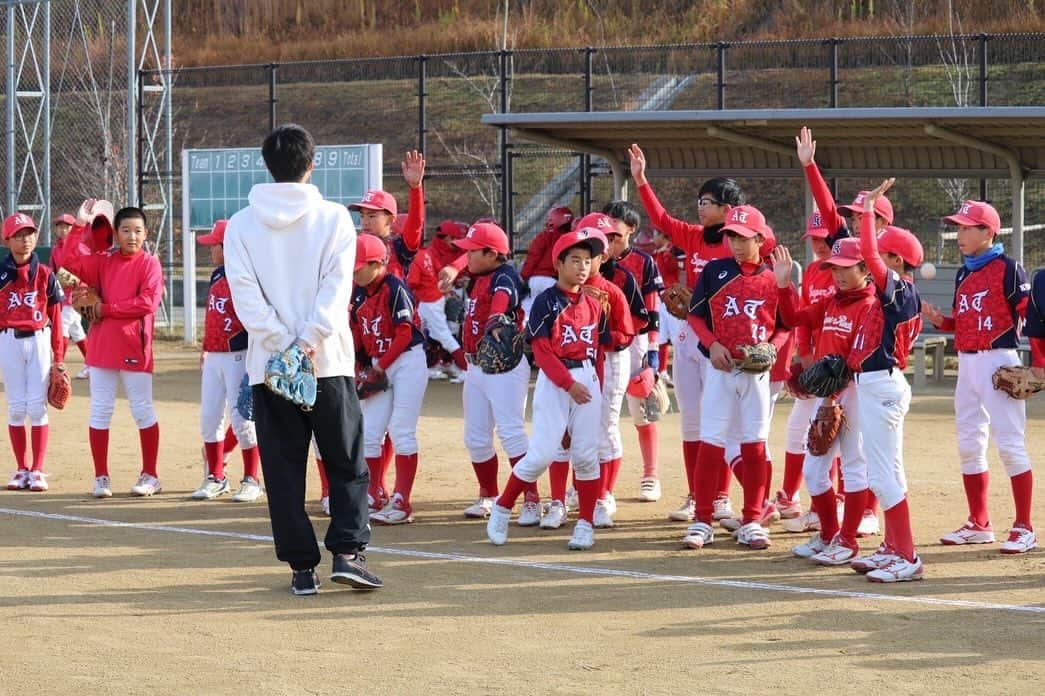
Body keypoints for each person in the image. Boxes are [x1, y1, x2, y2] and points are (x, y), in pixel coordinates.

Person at [224, 123, 382, 596]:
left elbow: (245, 298)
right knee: (345, 459)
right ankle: (348, 553)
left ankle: (300, 569)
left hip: (267, 366)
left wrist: (278, 344)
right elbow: (338, 291)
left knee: (284, 466)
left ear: (268, 167)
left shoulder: (241, 224)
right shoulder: (334, 218)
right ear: (311, 164)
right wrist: (307, 343)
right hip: (327, 361)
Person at [628, 143, 742, 524]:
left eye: (708, 201)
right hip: (689, 334)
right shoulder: (693, 236)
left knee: (718, 421)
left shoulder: (739, 242)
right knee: (692, 420)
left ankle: (721, 497)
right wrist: (641, 180)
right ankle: (697, 495)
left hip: (722, 335)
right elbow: (661, 218)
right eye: (699, 200)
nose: (700, 206)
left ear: (728, 209)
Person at [922, 199, 1035, 554]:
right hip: (968, 364)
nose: (960, 233)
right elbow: (963, 323)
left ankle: (1024, 527)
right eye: (959, 227)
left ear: (988, 231)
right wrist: (942, 322)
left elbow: (1028, 314)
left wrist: (1039, 360)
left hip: (999, 361)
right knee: (969, 443)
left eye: (967, 227)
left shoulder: (1009, 268)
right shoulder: (964, 272)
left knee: (1010, 445)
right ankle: (979, 522)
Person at [486, 227, 608, 550]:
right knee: (540, 455)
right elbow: (542, 351)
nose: (582, 266)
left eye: (588, 260)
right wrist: (569, 385)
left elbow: (598, 352)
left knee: (586, 457)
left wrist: (595, 387)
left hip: (586, 381)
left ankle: (585, 525)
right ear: (559, 263)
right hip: (556, 382)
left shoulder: (595, 303)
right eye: (575, 260)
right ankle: (501, 507)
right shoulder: (546, 301)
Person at [680, 205, 788, 551]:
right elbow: (696, 317)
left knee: (754, 444)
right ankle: (702, 520)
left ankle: (753, 519)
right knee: (711, 443)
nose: (737, 244)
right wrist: (711, 345)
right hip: (721, 368)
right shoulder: (714, 271)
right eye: (731, 236)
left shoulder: (774, 277)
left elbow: (787, 324)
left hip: (755, 373)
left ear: (760, 238)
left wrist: (773, 348)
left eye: (743, 237)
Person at [773, 237, 878, 566]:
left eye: (848, 268)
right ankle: (829, 534)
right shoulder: (834, 301)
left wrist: (833, 395)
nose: (840, 275)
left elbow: (859, 356)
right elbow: (793, 318)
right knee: (814, 468)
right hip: (830, 392)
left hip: (855, 392)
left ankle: (847, 541)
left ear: (865, 268)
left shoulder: (871, 306)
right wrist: (783, 285)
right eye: (835, 269)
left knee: (854, 466)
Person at [848, 178, 925, 581]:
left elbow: (870, 256)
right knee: (888, 472)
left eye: (884, 251)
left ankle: (908, 557)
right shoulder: (892, 294)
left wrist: (866, 213)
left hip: (882, 385)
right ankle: (894, 547)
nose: (875, 254)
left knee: (882, 475)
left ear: (896, 260)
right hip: (875, 383)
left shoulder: (901, 290)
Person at [62, 202, 164, 499]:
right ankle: (101, 477)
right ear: (116, 234)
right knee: (100, 410)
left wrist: (104, 308)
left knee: (142, 409)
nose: (131, 236)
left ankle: (151, 475)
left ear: (146, 234)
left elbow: (147, 303)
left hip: (134, 345)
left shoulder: (149, 264)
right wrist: (80, 225)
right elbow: (68, 263)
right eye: (125, 230)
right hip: (102, 346)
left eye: (137, 231)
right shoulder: (103, 261)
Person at [453, 221, 534, 521]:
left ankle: (532, 498)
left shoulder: (505, 274)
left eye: (473, 252)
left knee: (511, 433)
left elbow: (502, 301)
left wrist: (496, 318)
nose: (468, 257)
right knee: (475, 438)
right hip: (476, 367)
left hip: (503, 368)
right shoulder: (480, 275)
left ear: (491, 253)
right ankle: (488, 495)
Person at [351, 233, 428, 525]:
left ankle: (402, 502)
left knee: (401, 430)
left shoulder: (395, 287)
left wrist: (380, 366)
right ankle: (375, 492)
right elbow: (358, 331)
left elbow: (405, 332)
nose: (354, 272)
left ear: (377, 263)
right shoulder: (358, 292)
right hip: (378, 362)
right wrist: (362, 365)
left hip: (406, 360)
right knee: (370, 432)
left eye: (359, 267)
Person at [193, 219, 263, 503]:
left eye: (216, 246)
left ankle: (252, 479)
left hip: (238, 355)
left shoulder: (245, 277)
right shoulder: (217, 275)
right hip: (215, 355)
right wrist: (205, 347)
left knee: (243, 419)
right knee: (210, 419)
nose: (211, 251)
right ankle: (216, 477)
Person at [602, 201, 666, 503]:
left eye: (617, 225)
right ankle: (594, 481)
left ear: (631, 230)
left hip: (637, 339)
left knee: (641, 410)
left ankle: (650, 474)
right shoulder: (592, 258)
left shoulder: (643, 261)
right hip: (601, 342)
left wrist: (653, 351)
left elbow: (652, 308)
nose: (611, 229)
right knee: (600, 413)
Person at [1, 213, 65, 492]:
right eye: (18, 235)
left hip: (39, 339)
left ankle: (37, 470)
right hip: (8, 340)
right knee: (16, 408)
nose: (25, 239)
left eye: (29, 233)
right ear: (7, 240)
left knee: (37, 407)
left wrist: (59, 359)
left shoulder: (46, 274)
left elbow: (57, 316)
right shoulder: (1, 275)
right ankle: (21, 468)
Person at [406, 219, 468, 382]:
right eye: (453, 238)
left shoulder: (423, 253)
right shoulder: (430, 253)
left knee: (442, 334)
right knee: (430, 334)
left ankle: (466, 368)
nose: (456, 242)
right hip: (434, 299)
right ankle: (431, 366)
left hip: (428, 300)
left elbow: (412, 282)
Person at [348, 151, 426, 279]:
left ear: (390, 219)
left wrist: (415, 188)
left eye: (372, 216)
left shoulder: (399, 247)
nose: (365, 222)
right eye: (362, 216)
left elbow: (415, 224)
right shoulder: (355, 245)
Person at [49, 213, 90, 379]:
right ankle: (91, 364)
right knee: (76, 331)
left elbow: (85, 272)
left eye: (67, 226)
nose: (63, 229)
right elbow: (52, 271)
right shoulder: (55, 249)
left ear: (74, 228)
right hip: (63, 295)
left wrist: (63, 278)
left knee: (63, 325)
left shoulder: (80, 247)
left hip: (78, 295)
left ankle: (57, 363)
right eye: (59, 226)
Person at [520, 206, 574, 317]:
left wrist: (523, 276)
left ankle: (523, 330)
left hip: (535, 280)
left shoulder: (544, 235)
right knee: (551, 314)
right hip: (553, 281)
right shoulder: (570, 239)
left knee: (528, 311)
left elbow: (533, 257)